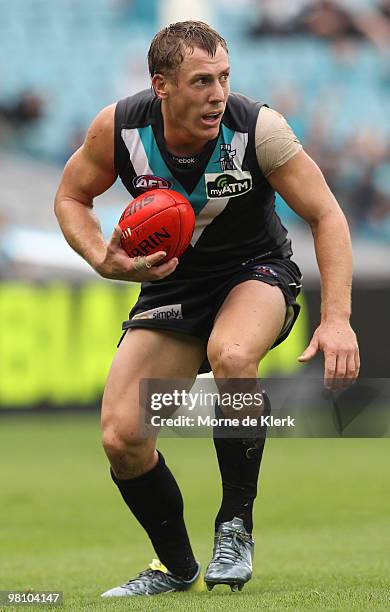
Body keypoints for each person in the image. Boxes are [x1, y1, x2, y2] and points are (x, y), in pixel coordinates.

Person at [54, 20, 359, 597]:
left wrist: (338, 319)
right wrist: (101, 257)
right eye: (201, 81)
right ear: (162, 85)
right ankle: (176, 569)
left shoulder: (258, 129)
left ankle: (235, 526)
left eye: (224, 77)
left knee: (233, 352)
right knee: (122, 436)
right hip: (172, 289)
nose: (218, 93)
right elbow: (72, 196)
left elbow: (327, 215)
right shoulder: (119, 128)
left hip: (257, 272)